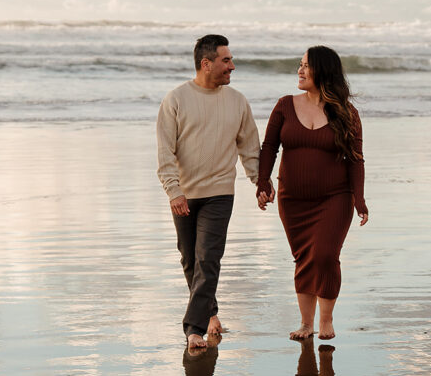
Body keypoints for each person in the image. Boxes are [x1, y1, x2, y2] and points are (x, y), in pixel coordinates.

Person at [157, 34, 267, 350]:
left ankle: (194, 329)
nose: (232, 66)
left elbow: (249, 147)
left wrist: (259, 183)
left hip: (220, 192)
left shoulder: (237, 101)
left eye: (231, 59)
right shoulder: (176, 99)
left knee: (208, 259)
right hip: (184, 193)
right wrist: (173, 190)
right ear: (207, 64)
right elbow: (165, 150)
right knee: (190, 259)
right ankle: (210, 313)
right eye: (226, 60)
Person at [256, 45, 368, 340]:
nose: (300, 70)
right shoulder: (284, 105)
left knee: (325, 255)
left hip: (335, 197)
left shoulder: (346, 112)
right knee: (304, 257)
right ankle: (306, 324)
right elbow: (269, 147)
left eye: (306, 65)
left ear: (323, 71)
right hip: (293, 199)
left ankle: (326, 321)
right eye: (299, 64)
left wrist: (360, 199)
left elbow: (356, 159)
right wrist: (263, 182)